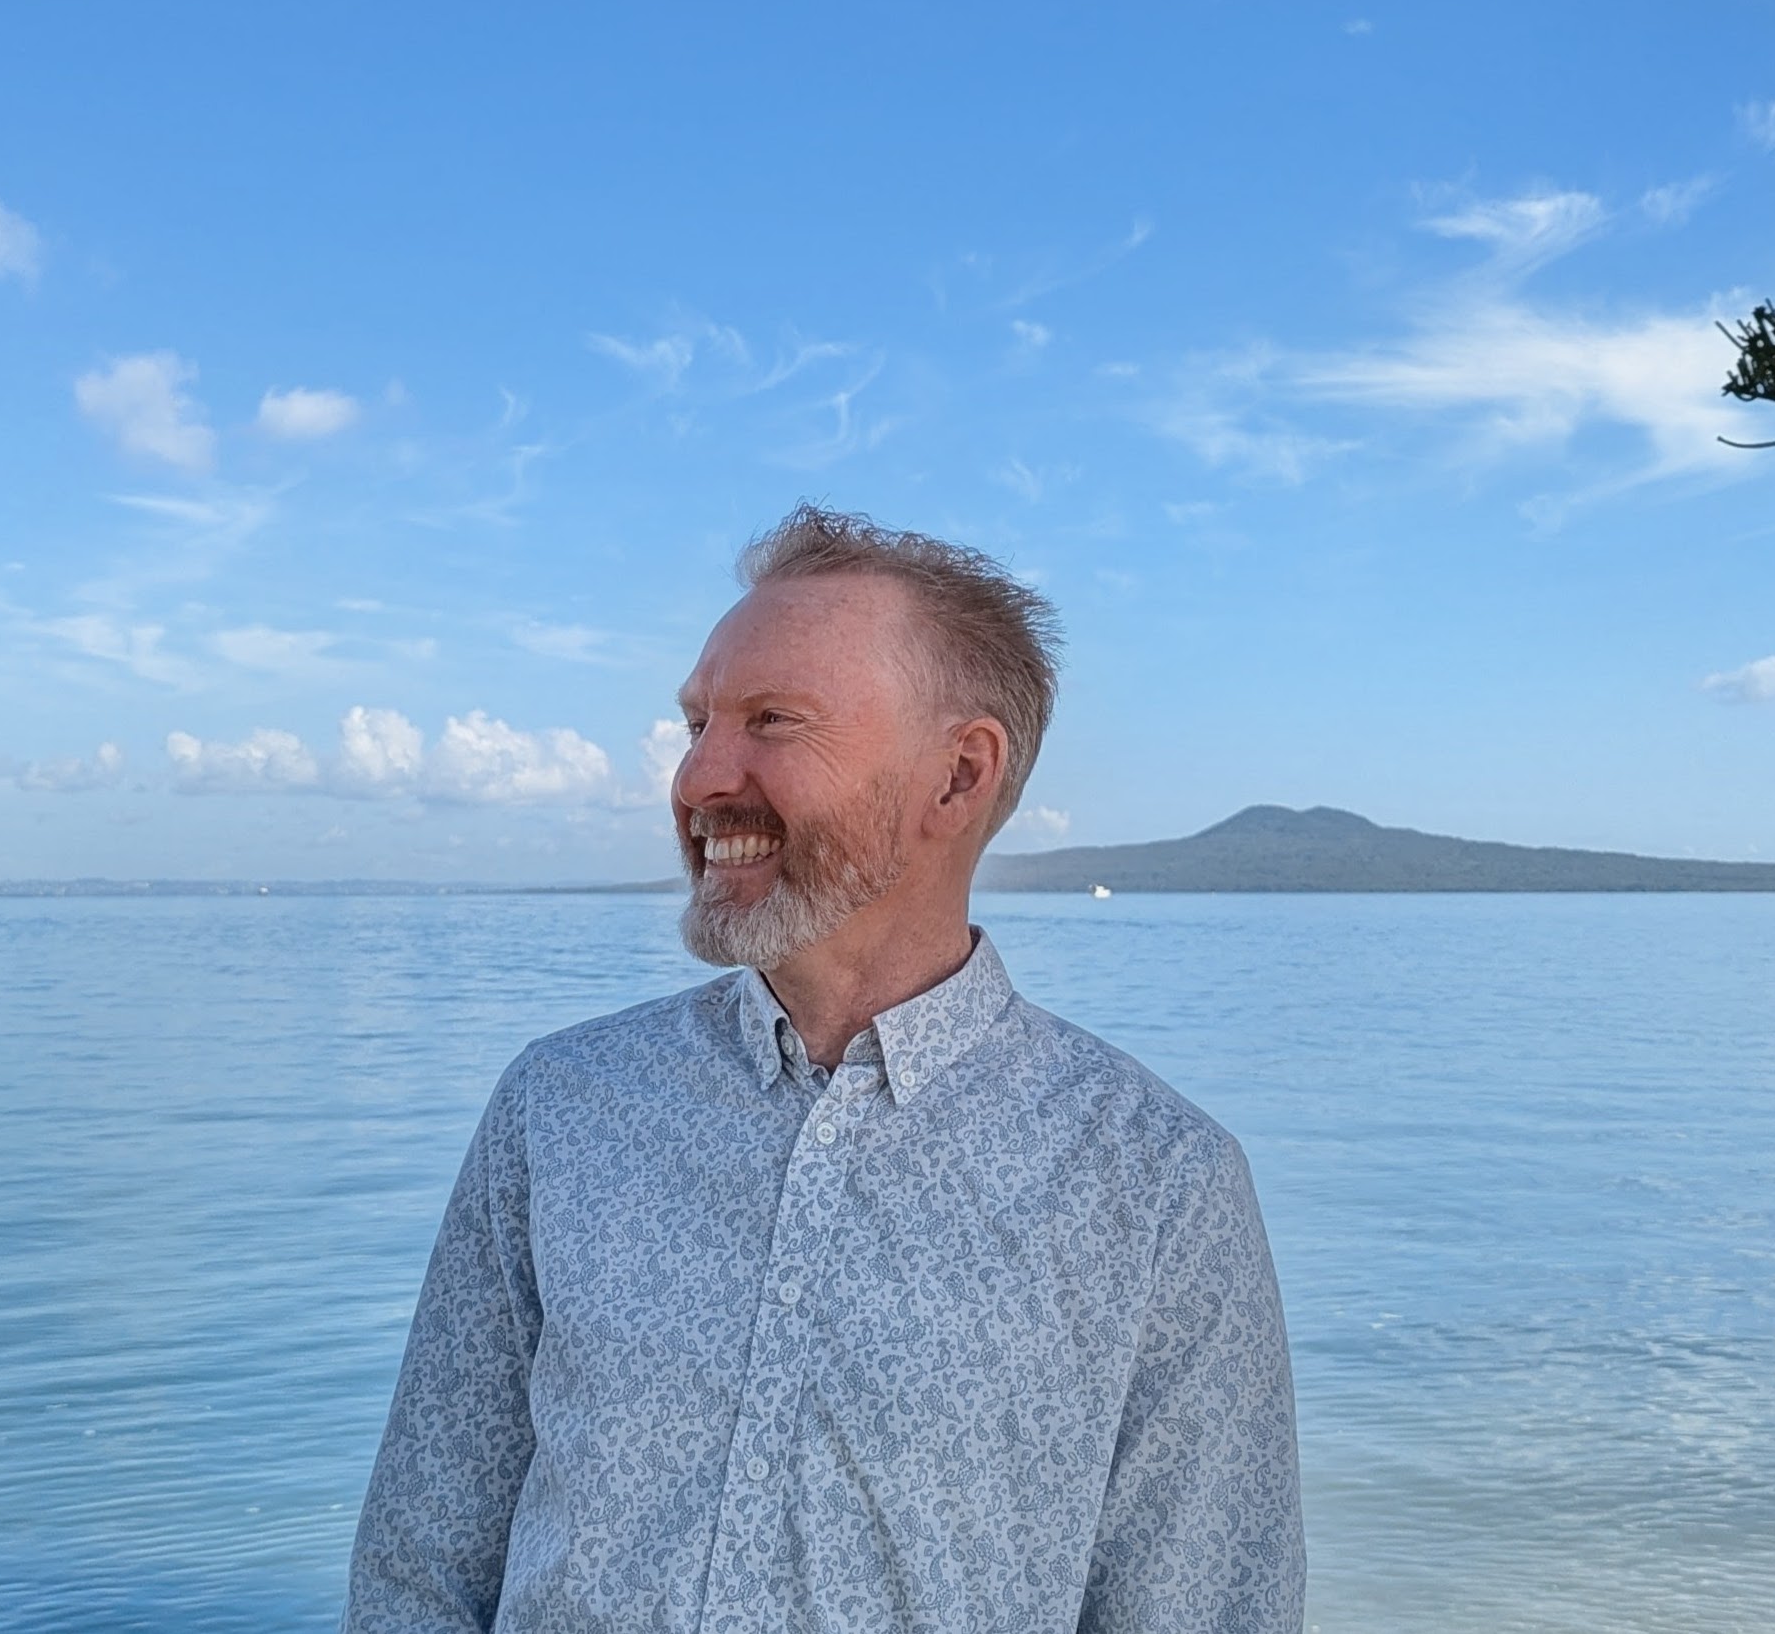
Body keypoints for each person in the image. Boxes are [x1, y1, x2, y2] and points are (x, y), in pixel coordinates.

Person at [344, 508, 1304, 1633]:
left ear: (958, 775)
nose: (699, 776)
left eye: (773, 720)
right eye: (696, 723)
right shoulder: (560, 1107)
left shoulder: (1159, 1188)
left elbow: (1206, 1607)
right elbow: (421, 1560)